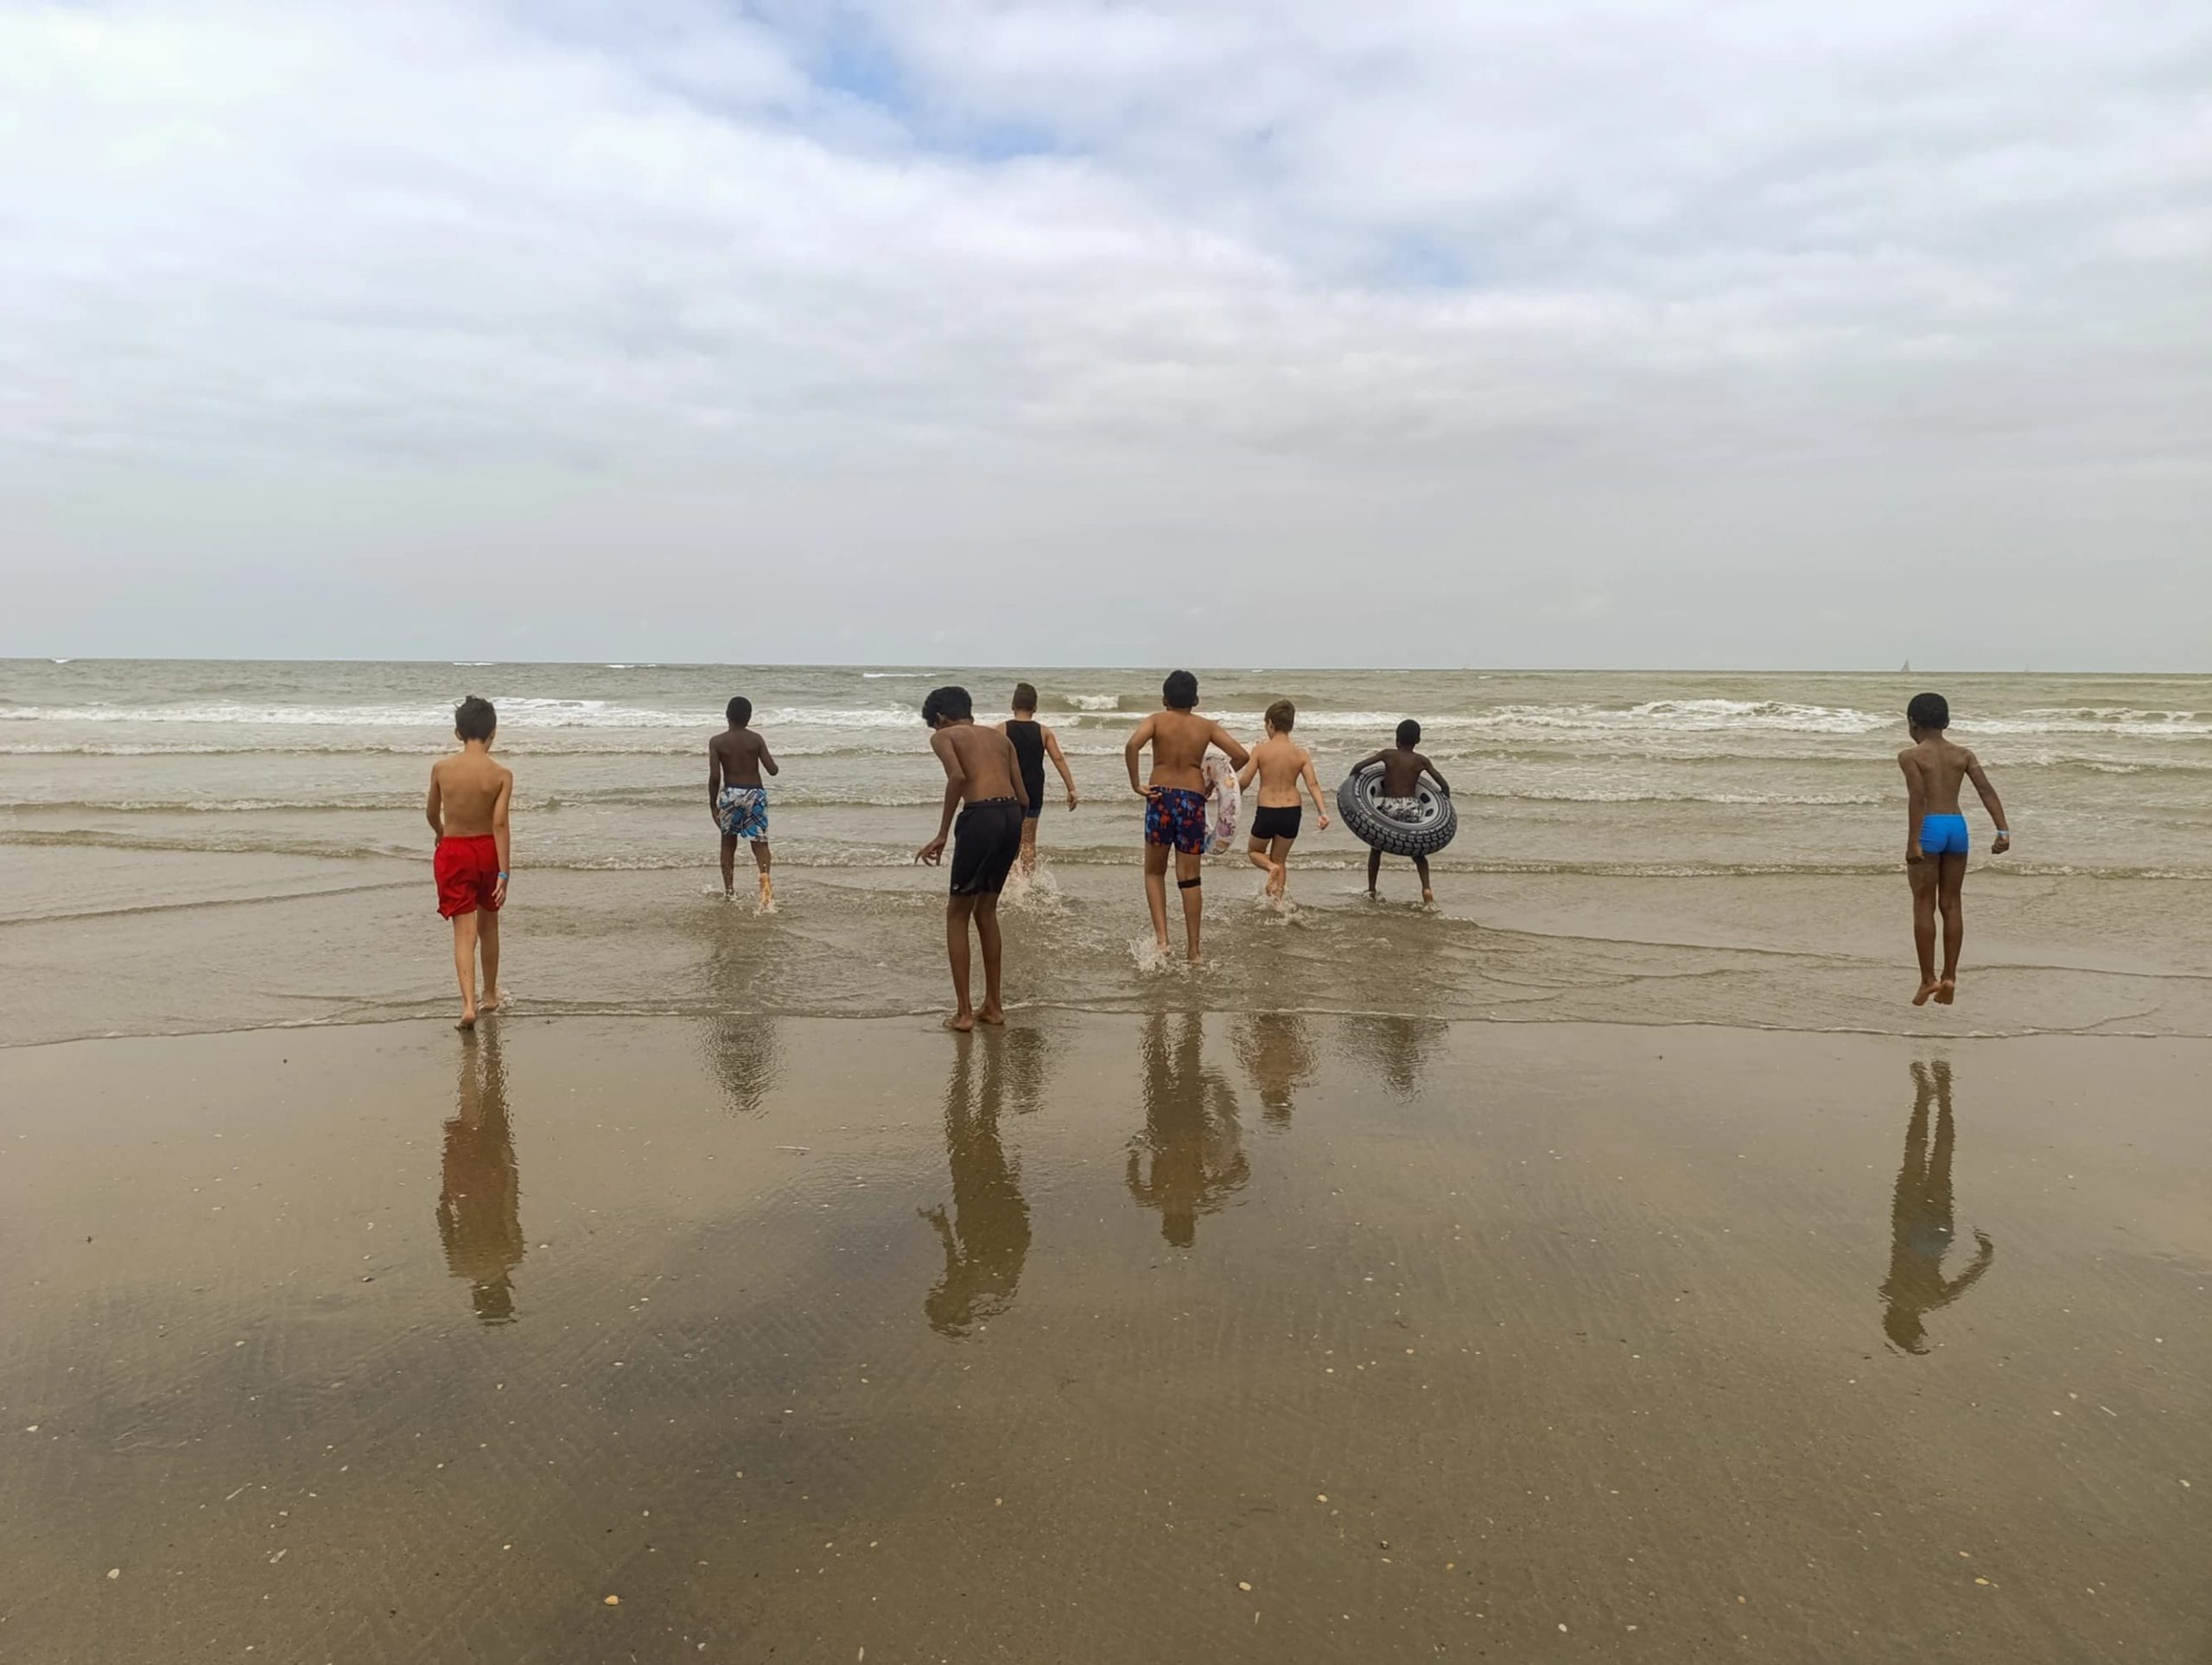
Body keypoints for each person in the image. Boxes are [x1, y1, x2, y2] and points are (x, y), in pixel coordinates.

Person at [915, 686, 1028, 1031]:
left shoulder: (945, 737)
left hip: (980, 816)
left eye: (934, 725)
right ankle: (993, 1006)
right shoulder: (1000, 738)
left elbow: (959, 777)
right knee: (986, 910)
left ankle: (964, 1013)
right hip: (1011, 816)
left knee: (957, 913)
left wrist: (942, 832)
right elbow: (1023, 796)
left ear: (940, 719)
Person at [1122, 670, 1250, 963]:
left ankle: (1163, 941)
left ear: (1165, 698)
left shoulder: (1156, 720)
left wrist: (1136, 784)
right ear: (1195, 699)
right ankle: (1194, 951)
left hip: (1159, 797)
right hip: (1192, 800)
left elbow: (1132, 746)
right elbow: (1241, 756)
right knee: (1190, 878)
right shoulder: (1206, 726)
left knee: (1154, 872)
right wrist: (1209, 786)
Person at [1898, 691, 2011, 1006]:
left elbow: (1918, 798)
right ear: (1947, 722)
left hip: (1930, 828)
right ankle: (1950, 976)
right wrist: (2002, 830)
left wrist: (1913, 841)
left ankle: (1927, 980)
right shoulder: (1964, 754)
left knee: (1924, 903)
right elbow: (1986, 790)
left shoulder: (1911, 756)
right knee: (1952, 904)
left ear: (1912, 723)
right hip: (1957, 829)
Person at [425, 696, 512, 1031]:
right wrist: (504, 871)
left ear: (458, 733)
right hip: (488, 851)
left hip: (454, 850)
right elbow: (500, 824)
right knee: (489, 926)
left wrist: (440, 832)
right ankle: (489, 995)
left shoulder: (442, 769)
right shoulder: (501, 774)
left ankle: (467, 1004)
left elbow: (432, 812)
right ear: (493, 732)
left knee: (464, 933)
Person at [1236, 698, 1331, 899]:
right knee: (1280, 859)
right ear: (1291, 725)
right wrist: (1323, 813)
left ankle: (1270, 868)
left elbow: (1245, 781)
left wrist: (1232, 798)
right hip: (1292, 812)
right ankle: (1278, 904)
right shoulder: (1301, 753)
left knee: (1254, 851)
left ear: (1270, 723)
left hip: (1267, 810)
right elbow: (1312, 784)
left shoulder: (1261, 750)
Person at [1351, 719, 1450, 904]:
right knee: (1419, 853)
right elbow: (1443, 784)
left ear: (1397, 739)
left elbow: (1359, 767)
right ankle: (1426, 889)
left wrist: (1352, 786)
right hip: (1412, 807)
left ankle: (1372, 889)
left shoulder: (1388, 754)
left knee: (1376, 848)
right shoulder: (1421, 760)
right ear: (1418, 740)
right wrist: (1446, 803)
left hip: (1390, 806)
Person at [1000, 682, 1079, 878]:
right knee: (1028, 840)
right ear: (1035, 707)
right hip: (1033, 791)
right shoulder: (1044, 732)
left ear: (1012, 705)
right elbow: (1058, 759)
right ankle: (1027, 882)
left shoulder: (1001, 729)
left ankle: (1008, 879)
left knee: (1008, 839)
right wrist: (1071, 788)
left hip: (1008, 791)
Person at [709, 696, 779, 906]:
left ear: (727, 715)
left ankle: (729, 891)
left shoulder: (717, 741)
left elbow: (714, 777)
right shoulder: (756, 739)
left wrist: (713, 804)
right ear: (749, 718)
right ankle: (765, 882)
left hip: (731, 794)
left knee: (728, 844)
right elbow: (773, 770)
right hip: (755, 793)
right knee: (760, 843)